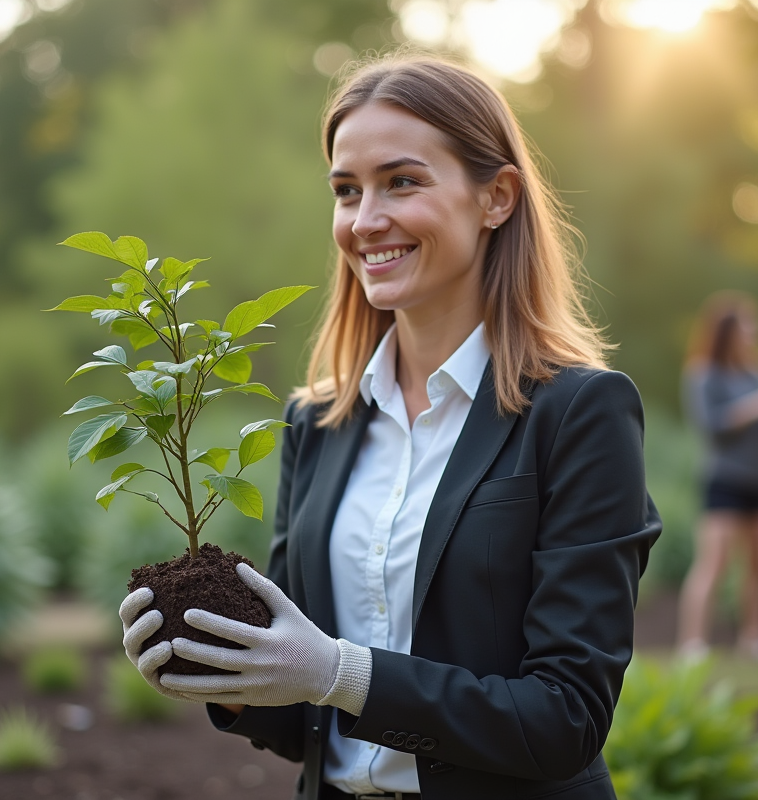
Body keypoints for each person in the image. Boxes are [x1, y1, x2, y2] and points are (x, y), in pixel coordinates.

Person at [119, 55, 660, 800]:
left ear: (495, 197)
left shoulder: (578, 414)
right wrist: (233, 679)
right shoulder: (318, 420)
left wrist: (340, 672)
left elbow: (563, 720)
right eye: (347, 191)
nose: (365, 220)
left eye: (401, 182)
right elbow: (311, 721)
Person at [676, 292, 758, 664]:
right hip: (723, 479)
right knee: (714, 562)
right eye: (748, 325)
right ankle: (692, 644)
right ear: (727, 330)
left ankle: (755, 637)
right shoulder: (702, 374)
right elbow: (712, 426)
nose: (754, 332)